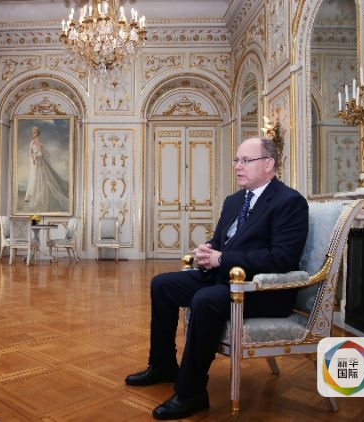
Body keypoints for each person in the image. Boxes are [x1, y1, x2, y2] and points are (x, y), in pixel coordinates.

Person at [125, 137, 309, 420]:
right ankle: (163, 366)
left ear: (268, 164)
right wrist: (207, 250)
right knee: (162, 285)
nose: (237, 166)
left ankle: (192, 392)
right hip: (224, 278)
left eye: (245, 161)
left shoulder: (289, 202)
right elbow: (222, 241)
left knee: (205, 299)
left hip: (262, 291)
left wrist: (222, 259)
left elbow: (281, 258)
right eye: (236, 160)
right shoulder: (234, 201)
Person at [23, 126, 68, 211]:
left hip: (38, 162)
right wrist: (32, 157)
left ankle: (37, 195)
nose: (33, 134)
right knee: (32, 178)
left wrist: (35, 157)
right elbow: (31, 152)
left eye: (35, 132)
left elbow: (40, 153)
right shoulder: (32, 141)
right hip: (33, 162)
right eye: (32, 132)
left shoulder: (38, 141)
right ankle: (29, 196)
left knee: (37, 178)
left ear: (38, 133)